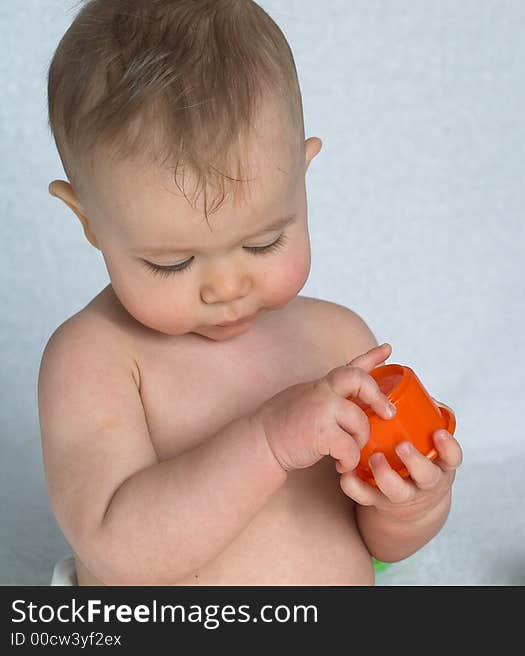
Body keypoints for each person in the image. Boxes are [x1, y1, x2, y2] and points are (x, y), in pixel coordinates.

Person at [38, 0, 462, 585]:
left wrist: (409, 504)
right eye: (173, 261)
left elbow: (372, 542)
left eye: (264, 243)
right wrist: (267, 441)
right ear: (88, 219)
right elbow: (119, 551)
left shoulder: (337, 341)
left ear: (301, 175)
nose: (227, 287)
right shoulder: (95, 358)